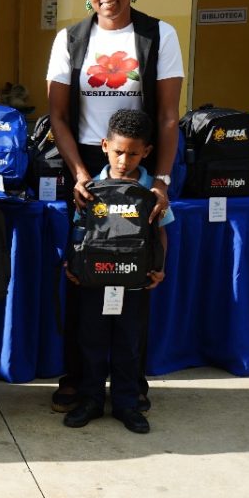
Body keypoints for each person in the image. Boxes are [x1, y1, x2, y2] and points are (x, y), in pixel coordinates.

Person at [45, 0, 184, 413]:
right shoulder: (70, 39)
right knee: (85, 273)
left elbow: (167, 117)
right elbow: (58, 117)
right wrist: (81, 173)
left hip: (138, 165)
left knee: (135, 273)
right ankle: (79, 380)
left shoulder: (158, 35)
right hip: (89, 166)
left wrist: (160, 179)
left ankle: (130, 383)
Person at [62, 109, 171, 434]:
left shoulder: (152, 192)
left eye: (133, 153)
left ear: (146, 152)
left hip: (135, 283)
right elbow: (79, 228)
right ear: (105, 145)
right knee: (91, 342)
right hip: (94, 281)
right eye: (119, 151)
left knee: (128, 345)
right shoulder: (90, 188)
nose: (124, 160)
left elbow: (161, 231)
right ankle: (90, 400)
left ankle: (127, 403)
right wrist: (73, 263)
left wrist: (159, 268)